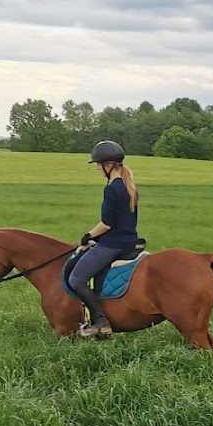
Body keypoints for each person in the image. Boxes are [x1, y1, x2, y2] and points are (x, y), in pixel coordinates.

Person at [67, 139, 140, 337]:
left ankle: (100, 321)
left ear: (109, 165)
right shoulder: (129, 186)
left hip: (113, 244)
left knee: (76, 279)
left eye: (99, 164)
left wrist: (88, 236)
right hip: (128, 240)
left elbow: (107, 224)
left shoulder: (112, 189)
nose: (98, 168)